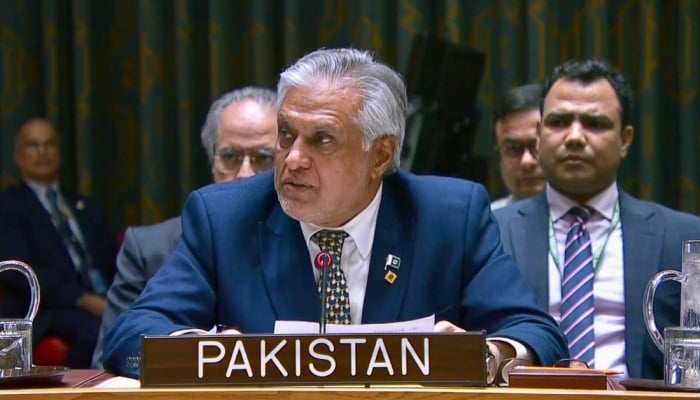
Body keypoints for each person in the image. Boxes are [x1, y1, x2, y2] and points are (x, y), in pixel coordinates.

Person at [102, 48, 567, 378]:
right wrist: (207, 354)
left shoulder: (449, 217)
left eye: (321, 140)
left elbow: (536, 333)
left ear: (379, 155)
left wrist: (485, 354)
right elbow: (129, 339)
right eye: (286, 134)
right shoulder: (225, 217)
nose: (292, 159)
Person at [494, 59, 700, 379]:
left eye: (595, 123)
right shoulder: (492, 232)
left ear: (625, 140)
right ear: (539, 134)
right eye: (558, 122)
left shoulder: (683, 236)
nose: (575, 137)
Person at [91, 86, 278, 369]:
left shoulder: (306, 237)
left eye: (263, 157)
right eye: (230, 156)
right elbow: (112, 357)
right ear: (212, 161)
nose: (245, 173)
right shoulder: (147, 248)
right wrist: (201, 352)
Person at [0, 118, 118, 368]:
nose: (43, 152)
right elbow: (19, 273)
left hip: (102, 300)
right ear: (18, 155)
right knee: (97, 330)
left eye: (49, 144)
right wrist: (82, 299)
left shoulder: (84, 206)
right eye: (33, 145)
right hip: (47, 309)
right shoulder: (8, 206)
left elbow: (112, 260)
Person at [491, 83, 546, 210]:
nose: (526, 162)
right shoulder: (487, 219)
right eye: (513, 149)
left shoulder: (588, 217)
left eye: (537, 145)